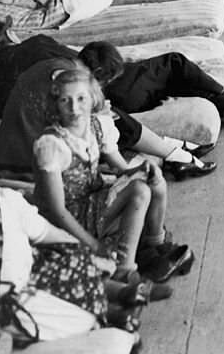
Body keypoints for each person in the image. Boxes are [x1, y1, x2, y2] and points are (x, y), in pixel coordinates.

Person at [0, 141, 137, 351]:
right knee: (52, 248)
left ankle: (116, 308)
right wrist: (99, 259)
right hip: (57, 320)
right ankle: (115, 308)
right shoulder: (1, 201)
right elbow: (61, 239)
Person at [32, 65, 195, 283]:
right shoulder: (51, 145)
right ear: (55, 104)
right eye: (65, 100)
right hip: (72, 216)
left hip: (93, 201)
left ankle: (154, 244)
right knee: (139, 191)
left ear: (92, 99)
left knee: (152, 179)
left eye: (81, 98)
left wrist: (141, 169)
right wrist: (94, 245)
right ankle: (124, 269)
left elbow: (122, 167)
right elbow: (56, 211)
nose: (74, 108)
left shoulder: (96, 126)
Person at [0, 38, 219, 180]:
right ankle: (174, 154)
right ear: (98, 75)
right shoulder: (71, 89)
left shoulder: (59, 67)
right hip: (31, 162)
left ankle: (171, 151)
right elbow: (104, 141)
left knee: (110, 115)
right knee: (110, 121)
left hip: (18, 149)